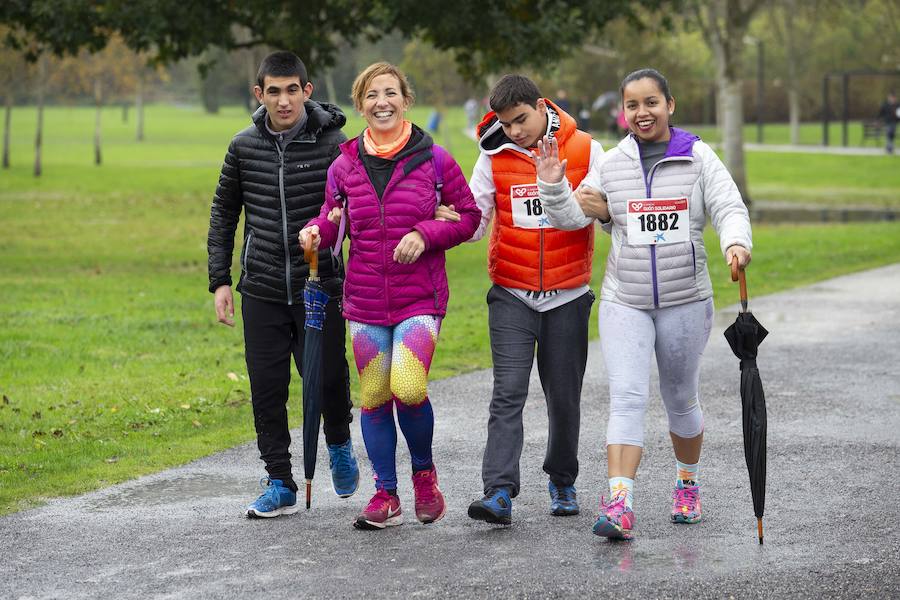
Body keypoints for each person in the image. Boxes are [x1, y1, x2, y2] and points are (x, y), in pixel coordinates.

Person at [536, 68, 752, 540]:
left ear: (669, 105)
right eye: (632, 105)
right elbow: (573, 216)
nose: (642, 113)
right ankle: (619, 503)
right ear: (624, 112)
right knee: (627, 397)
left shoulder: (698, 156)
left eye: (651, 102)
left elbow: (728, 206)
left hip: (685, 299)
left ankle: (687, 483)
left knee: (680, 398)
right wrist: (553, 186)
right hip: (625, 301)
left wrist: (736, 242)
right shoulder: (613, 163)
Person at [299, 62, 480, 530]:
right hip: (364, 300)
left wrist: (426, 232)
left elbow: (469, 217)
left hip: (419, 297)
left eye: (390, 93)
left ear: (405, 99)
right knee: (376, 395)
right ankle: (386, 495)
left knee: (409, 386)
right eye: (372, 95)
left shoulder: (435, 160)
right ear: (360, 105)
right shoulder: (343, 166)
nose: (382, 102)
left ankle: (424, 477)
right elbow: (332, 219)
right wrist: (315, 232)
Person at [207, 51, 360, 518]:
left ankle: (338, 443)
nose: (283, 100)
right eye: (273, 91)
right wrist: (220, 281)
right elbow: (224, 213)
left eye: (292, 89)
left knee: (327, 377)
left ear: (307, 91)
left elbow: (355, 207)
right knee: (267, 388)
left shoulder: (334, 144)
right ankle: (279, 480)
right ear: (260, 94)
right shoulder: (243, 146)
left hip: (320, 284)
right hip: (262, 287)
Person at [465, 74, 603, 525]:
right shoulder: (492, 153)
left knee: (563, 397)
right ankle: (499, 491)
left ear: (541, 106)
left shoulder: (586, 149)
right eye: (506, 124)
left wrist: (560, 188)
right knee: (507, 393)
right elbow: (476, 219)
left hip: (567, 295)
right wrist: (450, 220)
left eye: (521, 119)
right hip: (511, 293)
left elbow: (596, 213)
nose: (515, 131)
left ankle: (562, 480)